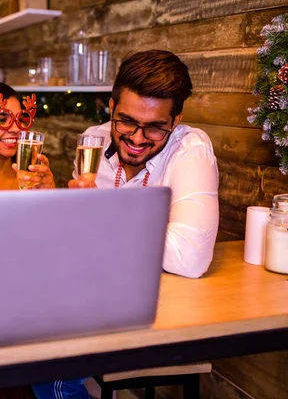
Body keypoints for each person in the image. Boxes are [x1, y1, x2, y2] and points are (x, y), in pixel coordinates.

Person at [37, 49, 220, 399]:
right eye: (126, 122)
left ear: (176, 118)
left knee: (49, 361)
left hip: (160, 306)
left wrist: (97, 216)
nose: (137, 138)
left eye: (155, 127)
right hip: (96, 293)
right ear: (111, 107)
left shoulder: (191, 149)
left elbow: (190, 257)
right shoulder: (94, 139)